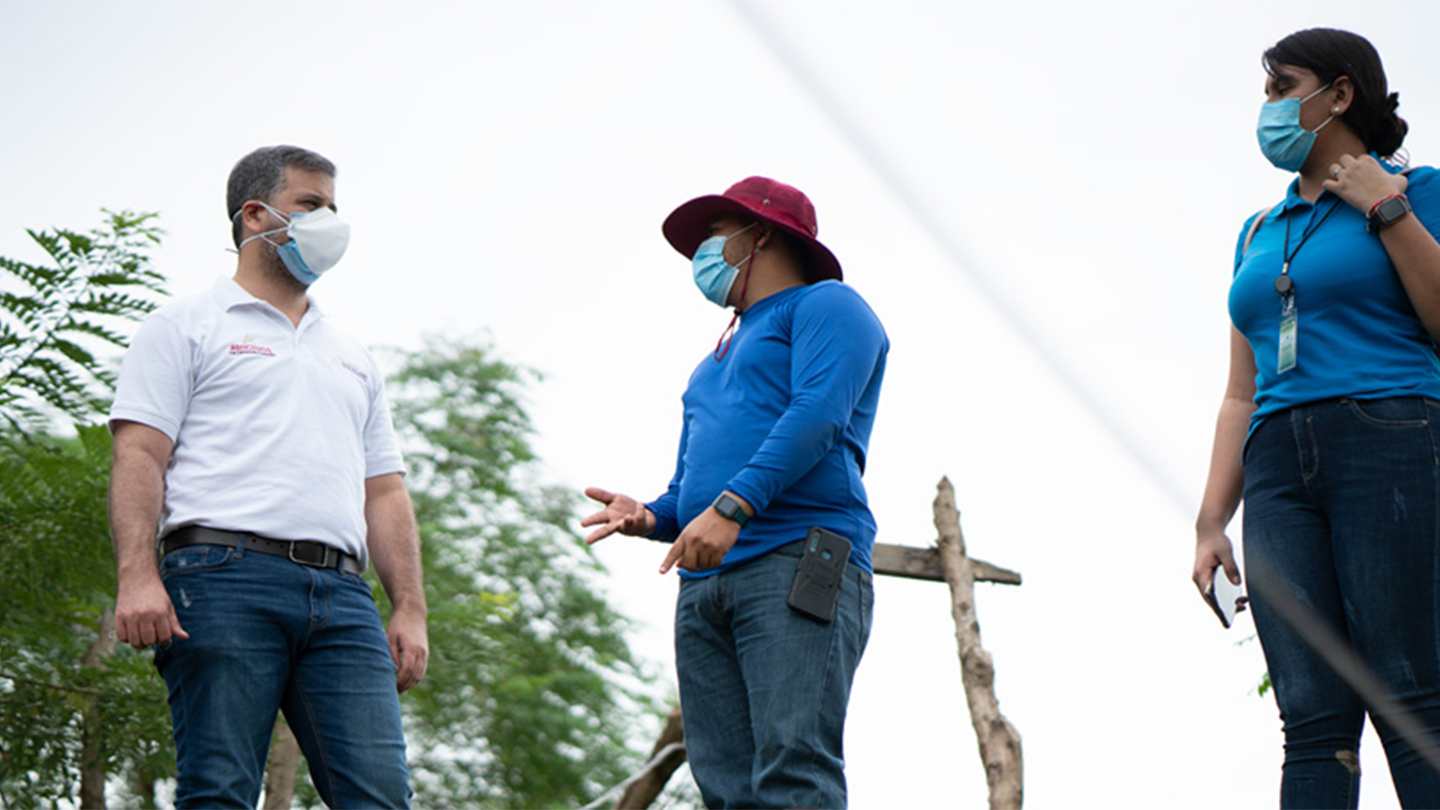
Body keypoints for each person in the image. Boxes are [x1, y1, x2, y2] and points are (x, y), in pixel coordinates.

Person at [108, 145, 427, 809]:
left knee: (382, 798)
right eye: (310, 205)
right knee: (221, 792)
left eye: (333, 209)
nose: (329, 223)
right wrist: (137, 575)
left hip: (344, 599)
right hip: (222, 580)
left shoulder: (352, 356)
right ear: (255, 216)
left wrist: (410, 608)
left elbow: (386, 490)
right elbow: (140, 455)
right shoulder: (184, 326)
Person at [583, 176, 887, 809]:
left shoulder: (827, 306)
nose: (704, 252)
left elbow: (817, 414)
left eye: (716, 235)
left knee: (792, 768)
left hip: (797, 557)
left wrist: (733, 507)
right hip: (705, 578)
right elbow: (686, 486)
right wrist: (650, 516)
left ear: (763, 235)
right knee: (724, 786)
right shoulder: (713, 361)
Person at [1193, 28, 1440, 808]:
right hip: (1276, 470)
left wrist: (1386, 208)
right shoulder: (1257, 234)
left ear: (1337, 95)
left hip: (1391, 439)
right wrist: (1210, 522)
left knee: (1411, 691)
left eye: (1280, 88)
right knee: (1310, 719)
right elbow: (1241, 390)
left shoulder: (1421, 187)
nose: (1266, 109)